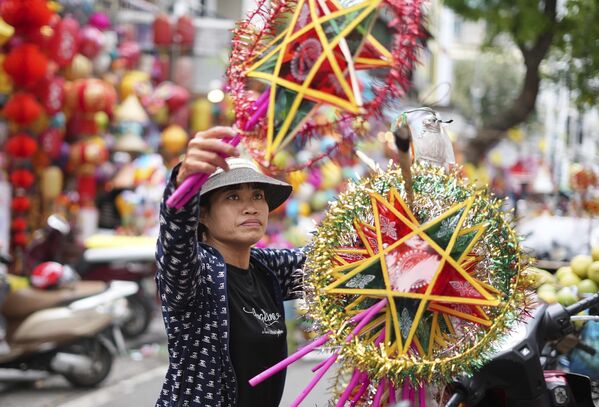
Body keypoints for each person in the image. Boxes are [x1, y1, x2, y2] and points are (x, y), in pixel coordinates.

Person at [155, 126, 306, 407]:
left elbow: (330, 261)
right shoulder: (197, 276)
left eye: (257, 195)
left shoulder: (267, 268)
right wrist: (182, 183)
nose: (250, 207)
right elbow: (175, 242)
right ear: (202, 214)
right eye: (233, 197)